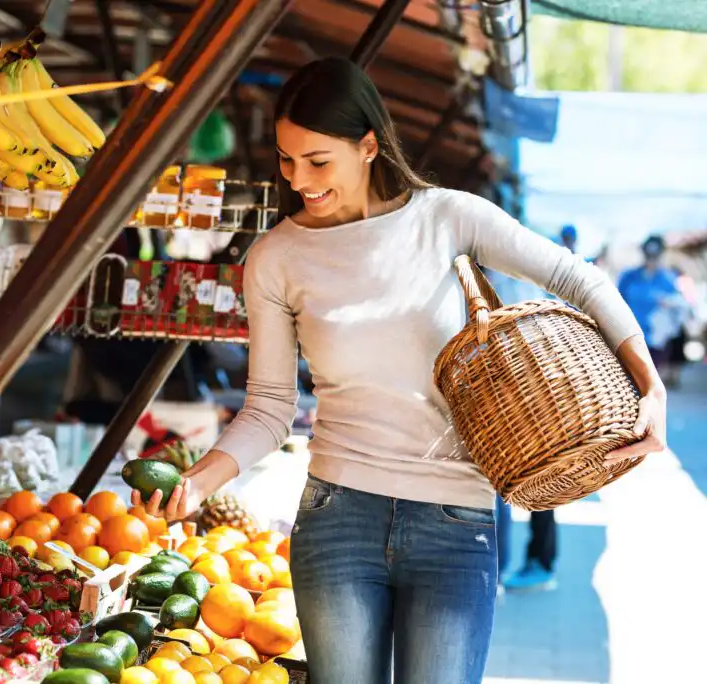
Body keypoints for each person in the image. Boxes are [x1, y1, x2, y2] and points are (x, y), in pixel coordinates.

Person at [131, 58, 667, 684]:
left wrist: (649, 385)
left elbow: (578, 278)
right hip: (337, 520)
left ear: (368, 146)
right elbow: (269, 406)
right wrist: (199, 482)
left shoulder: (448, 218)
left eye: (318, 161)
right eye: (286, 159)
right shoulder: (276, 258)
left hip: (455, 522)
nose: (300, 179)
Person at [498, 223, 582, 593]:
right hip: (537, 389)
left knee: (538, 482)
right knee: (536, 482)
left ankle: (537, 564)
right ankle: (535, 563)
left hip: (533, 392)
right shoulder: (532, 275)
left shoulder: (511, 275)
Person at [618, 235, 689, 387]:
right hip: (628, 337)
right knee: (627, 383)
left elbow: (680, 309)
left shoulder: (668, 279)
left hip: (656, 342)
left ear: (661, 254)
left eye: (655, 254)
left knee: (648, 386)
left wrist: (670, 304)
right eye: (648, 254)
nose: (651, 258)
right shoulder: (629, 276)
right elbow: (615, 301)